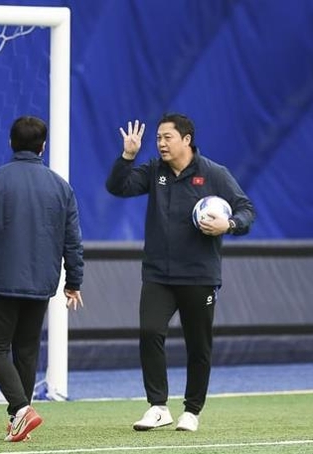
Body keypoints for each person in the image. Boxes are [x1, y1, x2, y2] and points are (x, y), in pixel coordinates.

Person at [106, 113, 255, 432]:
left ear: (186, 140)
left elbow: (246, 211)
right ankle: (158, 406)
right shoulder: (153, 171)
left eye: (167, 137)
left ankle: (192, 410)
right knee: (149, 333)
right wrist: (127, 156)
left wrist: (227, 225)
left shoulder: (214, 173)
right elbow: (118, 187)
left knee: (198, 344)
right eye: (158, 138)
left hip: (200, 276)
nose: (160, 143)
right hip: (158, 274)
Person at [0, 115, 84, 442]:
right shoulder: (61, 187)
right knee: (26, 350)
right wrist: (74, 282)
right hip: (41, 284)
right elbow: (72, 240)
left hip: (1, 282)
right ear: (43, 146)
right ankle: (18, 419)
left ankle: (22, 409)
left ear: (11, 143)